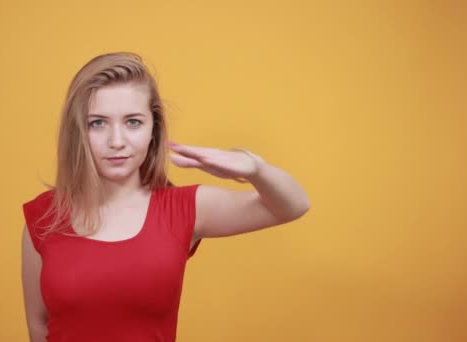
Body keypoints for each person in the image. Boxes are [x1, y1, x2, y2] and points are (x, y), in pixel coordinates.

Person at [20, 52, 310, 342]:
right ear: (78, 131)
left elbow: (294, 206)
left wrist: (254, 168)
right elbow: (38, 327)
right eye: (98, 123)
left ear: (152, 130)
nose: (116, 141)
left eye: (133, 122)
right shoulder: (44, 215)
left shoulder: (184, 208)